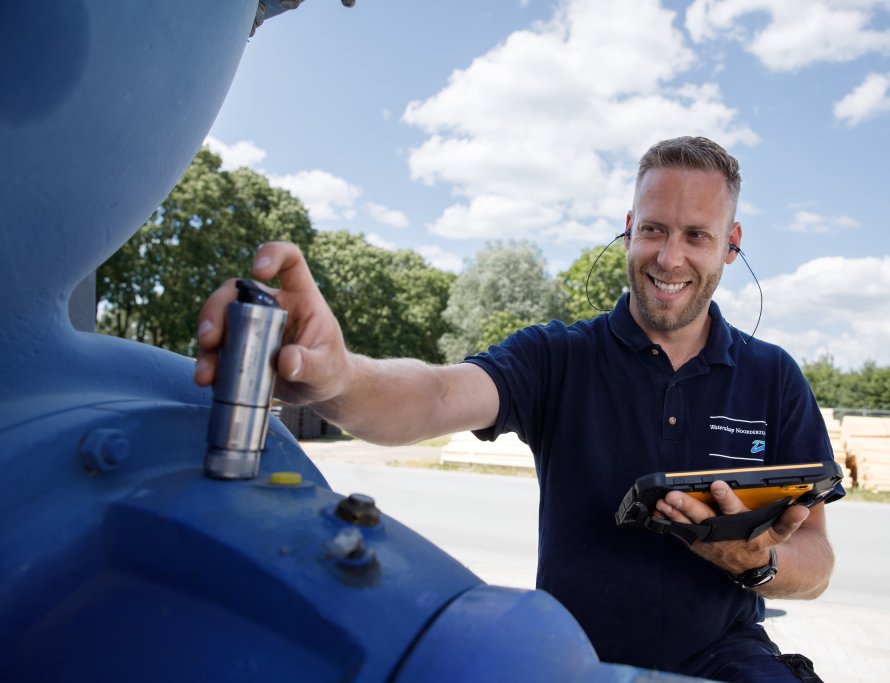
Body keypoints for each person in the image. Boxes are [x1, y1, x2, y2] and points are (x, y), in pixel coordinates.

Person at [194, 136, 841, 682]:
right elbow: (438, 393)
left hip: (724, 659)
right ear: (628, 228)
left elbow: (817, 560)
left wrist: (753, 561)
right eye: (653, 230)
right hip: (571, 658)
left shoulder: (772, 377)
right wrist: (337, 376)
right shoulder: (558, 357)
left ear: (730, 244)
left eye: (695, 235)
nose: (669, 258)